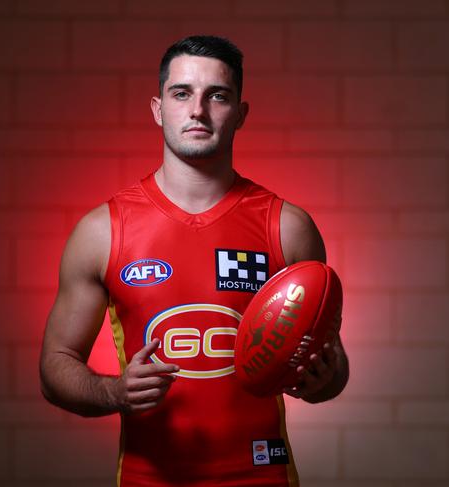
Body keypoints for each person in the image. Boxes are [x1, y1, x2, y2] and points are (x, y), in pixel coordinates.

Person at [39, 35, 349, 487]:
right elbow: (55, 365)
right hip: (150, 478)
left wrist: (324, 379)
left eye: (217, 96)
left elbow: (335, 366)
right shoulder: (103, 231)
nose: (198, 110)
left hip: (261, 474)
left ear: (240, 114)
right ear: (158, 109)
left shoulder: (287, 227)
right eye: (181, 93)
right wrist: (112, 392)